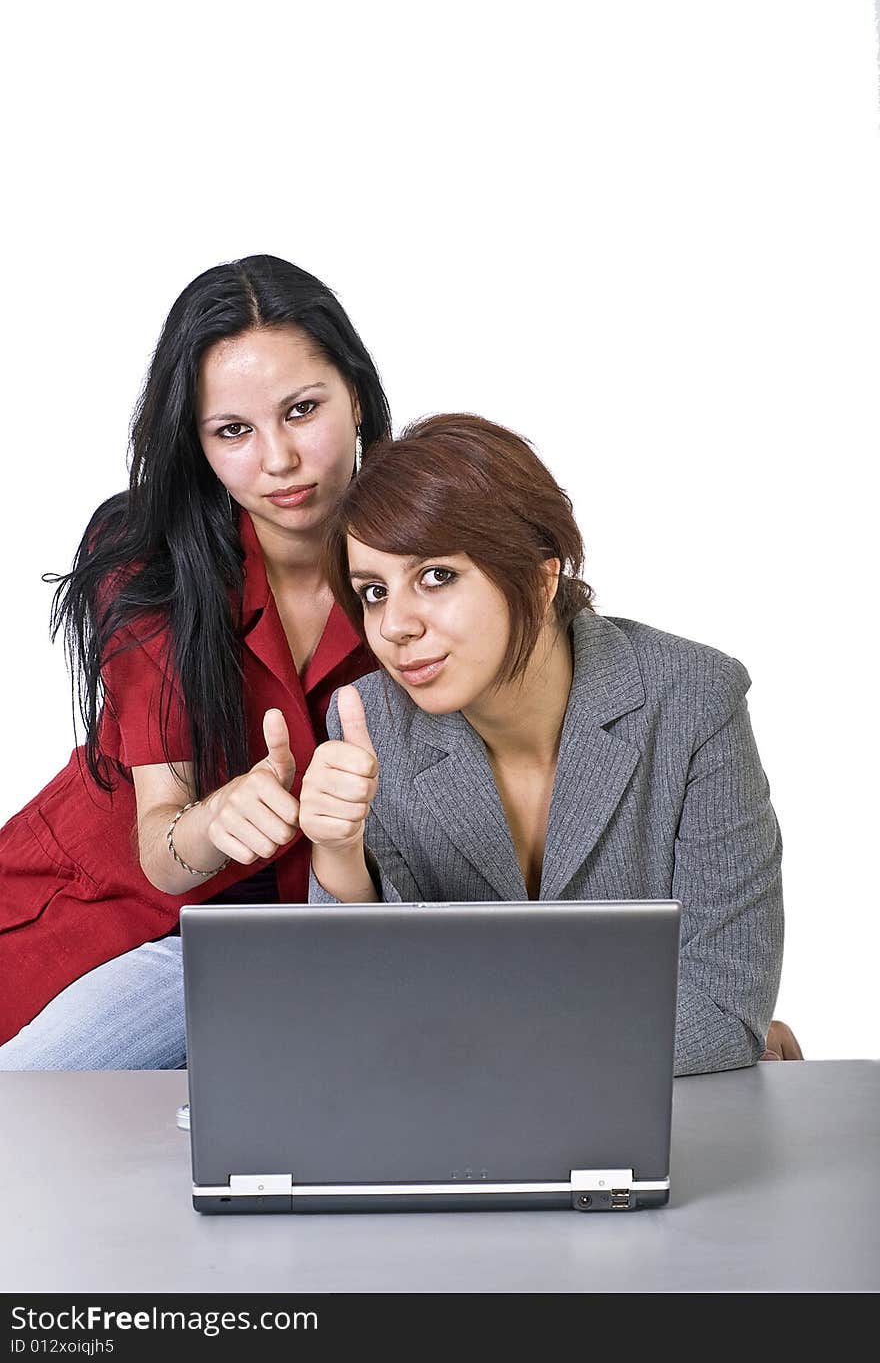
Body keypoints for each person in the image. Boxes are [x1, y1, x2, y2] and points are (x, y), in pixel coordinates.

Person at [298, 413, 796, 1076]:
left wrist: (469, 1046)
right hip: (462, 1135)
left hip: (649, 1126)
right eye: (374, 591)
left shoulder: (692, 699)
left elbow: (724, 1009)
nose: (395, 626)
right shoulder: (369, 725)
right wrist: (337, 858)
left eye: (437, 576)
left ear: (539, 577)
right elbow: (355, 1016)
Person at [0, 254, 390, 1067]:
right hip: (112, 905)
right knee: (37, 1106)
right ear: (199, 442)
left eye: (302, 409)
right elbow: (161, 841)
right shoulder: (150, 563)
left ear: (354, 392)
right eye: (234, 431)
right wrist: (220, 818)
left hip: (313, 931)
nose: (278, 459)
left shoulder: (419, 550)